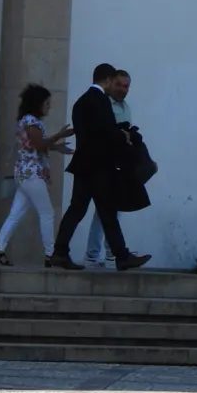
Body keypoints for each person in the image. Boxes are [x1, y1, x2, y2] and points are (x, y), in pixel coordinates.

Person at [49, 63, 151, 271]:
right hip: (100, 166)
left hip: (83, 164)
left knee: (78, 210)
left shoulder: (80, 102)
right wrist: (125, 137)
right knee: (107, 212)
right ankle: (121, 257)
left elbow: (88, 132)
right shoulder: (101, 101)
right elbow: (107, 133)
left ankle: (60, 252)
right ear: (107, 80)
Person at [0, 84, 73, 267]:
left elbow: (35, 145)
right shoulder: (31, 122)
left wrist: (56, 147)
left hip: (25, 173)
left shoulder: (27, 121)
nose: (49, 106)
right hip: (32, 173)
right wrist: (60, 135)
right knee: (47, 213)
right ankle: (51, 255)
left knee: (16, 213)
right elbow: (38, 144)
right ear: (37, 103)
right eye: (47, 103)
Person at [83, 68, 153, 267]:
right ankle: (94, 255)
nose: (123, 89)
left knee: (114, 210)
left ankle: (110, 254)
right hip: (104, 163)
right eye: (120, 85)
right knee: (104, 211)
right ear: (111, 83)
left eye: (126, 86)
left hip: (120, 164)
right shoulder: (103, 104)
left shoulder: (126, 107)